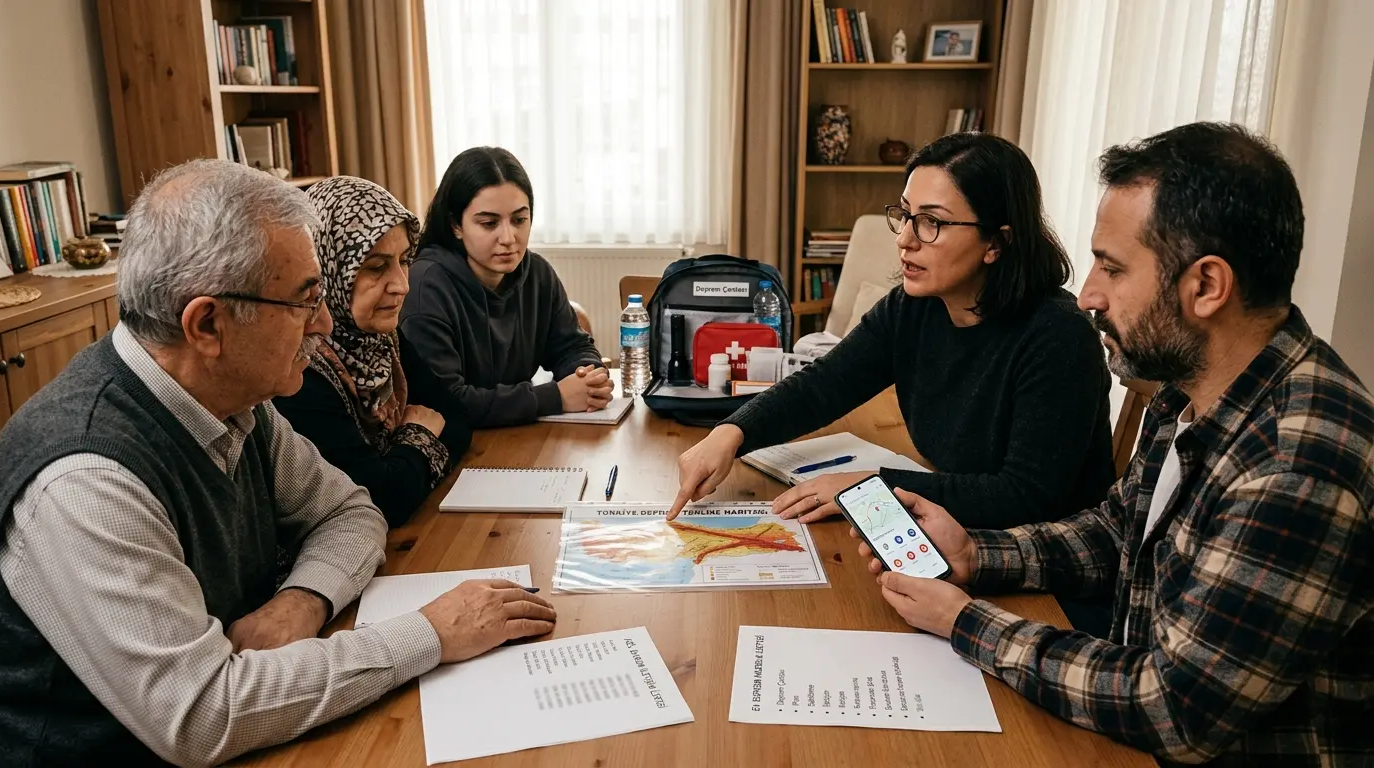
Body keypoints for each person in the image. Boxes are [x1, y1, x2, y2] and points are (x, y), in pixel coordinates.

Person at [0, 160, 556, 766]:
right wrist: (431, 632)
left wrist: (301, 600)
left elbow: (352, 510)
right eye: (305, 302)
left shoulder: (236, 401)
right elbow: (201, 715)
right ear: (208, 324)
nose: (325, 324)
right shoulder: (85, 481)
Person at [855, 123, 1374, 764]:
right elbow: (1117, 531)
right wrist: (976, 555)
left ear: (1207, 286)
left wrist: (965, 620)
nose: (1091, 294)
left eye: (1114, 267)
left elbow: (1174, 709)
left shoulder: (1298, 463)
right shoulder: (1189, 392)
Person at [669, 133, 1114, 532]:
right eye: (905, 215)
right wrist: (731, 432)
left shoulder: (1058, 337)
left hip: (1037, 565)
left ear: (996, 242)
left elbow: (1026, 497)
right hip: (957, 531)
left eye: (931, 222)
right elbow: (824, 385)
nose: (905, 238)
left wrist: (868, 488)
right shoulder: (914, 307)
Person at [273, 176, 470, 526]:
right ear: (326, 270)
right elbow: (381, 498)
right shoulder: (299, 367)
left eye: (405, 260)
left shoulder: (380, 340)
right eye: (376, 267)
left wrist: (405, 463)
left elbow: (457, 420)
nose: (402, 285)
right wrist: (418, 436)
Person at [400, 146, 611, 428]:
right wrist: (556, 396)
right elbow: (447, 403)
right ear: (455, 225)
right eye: (489, 223)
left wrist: (588, 377)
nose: (509, 237)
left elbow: (571, 346)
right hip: (458, 449)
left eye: (520, 220)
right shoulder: (424, 287)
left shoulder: (537, 272)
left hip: (519, 435)